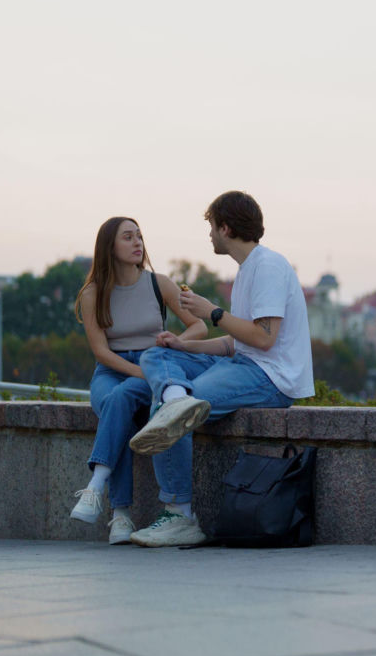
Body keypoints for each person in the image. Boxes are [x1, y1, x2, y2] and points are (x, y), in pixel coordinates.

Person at [127, 190, 314, 547]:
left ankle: (179, 516)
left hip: (270, 377)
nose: (210, 234)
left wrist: (212, 312)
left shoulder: (269, 266)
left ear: (225, 228)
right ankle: (177, 398)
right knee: (156, 356)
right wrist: (185, 346)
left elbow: (264, 339)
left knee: (173, 406)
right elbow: (236, 342)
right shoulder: (248, 270)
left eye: (212, 226)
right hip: (243, 363)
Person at [71, 217, 207, 544]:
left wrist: (174, 343)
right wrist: (139, 374)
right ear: (109, 247)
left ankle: (106, 500)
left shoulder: (159, 284)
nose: (137, 243)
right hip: (112, 369)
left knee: (118, 401)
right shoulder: (92, 293)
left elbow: (200, 327)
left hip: (153, 364)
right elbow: (101, 352)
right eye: (128, 237)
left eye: (139, 237)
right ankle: (119, 513)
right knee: (113, 400)